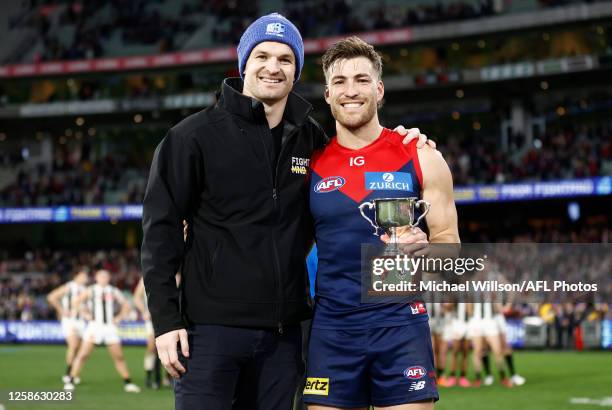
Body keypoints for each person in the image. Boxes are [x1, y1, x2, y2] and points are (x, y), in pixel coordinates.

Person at [141, 13, 431, 410]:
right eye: (262, 55)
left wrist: (401, 140)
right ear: (244, 63)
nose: (273, 67)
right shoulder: (191, 137)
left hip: (283, 338)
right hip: (210, 333)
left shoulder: (311, 139)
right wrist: (166, 321)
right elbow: (160, 233)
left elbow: (356, 160)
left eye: (285, 59)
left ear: (296, 72)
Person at [303, 36, 459, 409]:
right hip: (332, 330)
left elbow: (449, 247)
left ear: (380, 88)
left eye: (361, 79)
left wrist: (427, 251)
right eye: (339, 82)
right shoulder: (308, 165)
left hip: (400, 325)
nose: (350, 90)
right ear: (327, 94)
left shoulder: (421, 156)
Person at [63, 269, 140, 393]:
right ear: (97, 278)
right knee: (82, 355)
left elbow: (127, 304)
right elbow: (76, 302)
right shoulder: (91, 290)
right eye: (101, 276)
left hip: (109, 327)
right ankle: (70, 380)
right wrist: (85, 314)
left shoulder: (113, 291)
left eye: (106, 276)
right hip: (95, 327)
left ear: (109, 278)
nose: (104, 278)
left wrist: (119, 318)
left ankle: (128, 383)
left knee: (119, 356)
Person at [47, 267, 89, 385]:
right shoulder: (69, 287)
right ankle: (68, 373)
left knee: (79, 350)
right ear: (76, 276)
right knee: (73, 345)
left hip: (82, 322)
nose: (86, 278)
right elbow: (51, 297)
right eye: (83, 276)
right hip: (70, 321)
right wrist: (61, 310)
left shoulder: (85, 289)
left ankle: (73, 373)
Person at [133, 277, 161, 389]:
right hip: (152, 317)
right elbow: (137, 297)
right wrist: (144, 311)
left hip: (168, 316)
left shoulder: (174, 273)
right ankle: (150, 376)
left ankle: (166, 377)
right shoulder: (145, 277)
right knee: (152, 347)